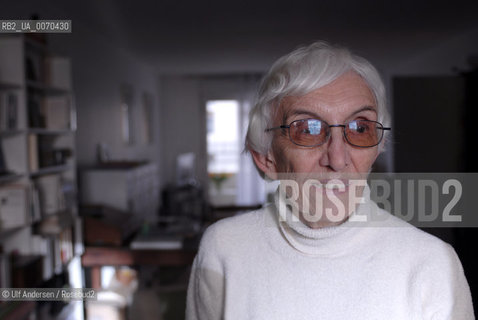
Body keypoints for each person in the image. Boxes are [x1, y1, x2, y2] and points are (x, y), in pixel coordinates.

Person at [186, 41, 474, 319]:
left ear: (378, 147)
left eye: (360, 127)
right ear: (267, 158)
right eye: (307, 129)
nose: (337, 159)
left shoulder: (433, 264)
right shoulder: (224, 249)